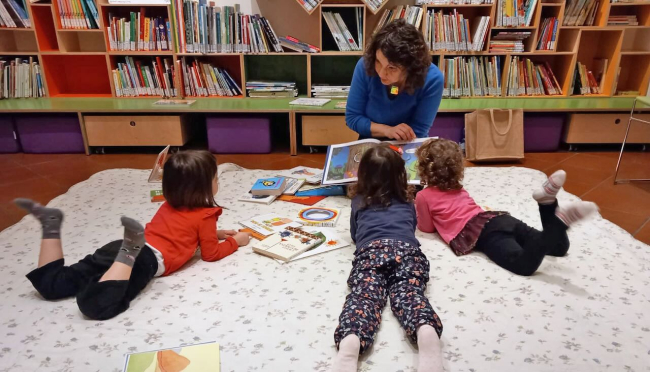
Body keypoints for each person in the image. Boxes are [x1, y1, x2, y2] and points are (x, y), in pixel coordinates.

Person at [16, 150, 251, 320]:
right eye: (216, 178)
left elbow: (183, 232)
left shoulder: (169, 204)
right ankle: (110, 273)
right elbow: (210, 254)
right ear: (203, 188)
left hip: (119, 246)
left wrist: (215, 233)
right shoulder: (205, 215)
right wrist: (234, 241)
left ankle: (51, 228)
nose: (218, 181)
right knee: (99, 307)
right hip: (144, 260)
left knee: (52, 285)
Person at [332, 145, 444, 372]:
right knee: (409, 294)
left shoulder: (358, 202)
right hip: (407, 253)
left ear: (362, 175)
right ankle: (425, 330)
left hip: (370, 254)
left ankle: (351, 338)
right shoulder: (407, 202)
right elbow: (410, 229)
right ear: (401, 175)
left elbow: (355, 235)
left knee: (364, 297)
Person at [415, 138, 598, 276]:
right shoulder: (459, 188)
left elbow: (427, 228)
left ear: (423, 169)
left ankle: (561, 222)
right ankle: (547, 202)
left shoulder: (424, 196)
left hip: (485, 233)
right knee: (558, 247)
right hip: (500, 219)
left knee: (523, 264)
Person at [346, 19, 444, 141]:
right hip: (371, 141)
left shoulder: (433, 79)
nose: (381, 73)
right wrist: (387, 131)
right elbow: (353, 118)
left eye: (391, 68)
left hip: (408, 142)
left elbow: (419, 129)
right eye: (378, 62)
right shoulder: (365, 65)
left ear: (410, 67)